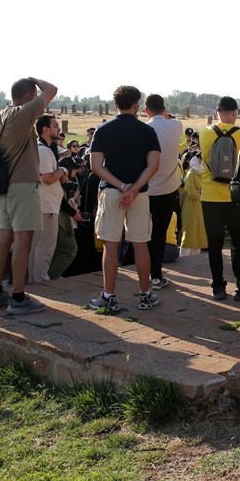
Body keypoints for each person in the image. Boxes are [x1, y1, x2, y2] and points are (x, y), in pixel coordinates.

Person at [0, 76, 57, 315]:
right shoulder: (21, 113)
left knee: (5, 237)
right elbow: (52, 89)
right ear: (28, 97)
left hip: (5, 185)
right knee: (23, 239)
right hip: (23, 184)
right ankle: (17, 296)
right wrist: (34, 79)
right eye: (33, 95)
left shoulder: (0, 116)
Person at [87, 85, 161, 313]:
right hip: (139, 194)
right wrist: (135, 188)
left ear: (115, 104)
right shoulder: (147, 132)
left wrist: (121, 186)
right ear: (136, 105)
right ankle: (146, 293)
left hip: (111, 191)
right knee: (140, 244)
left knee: (111, 245)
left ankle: (109, 295)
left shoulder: (103, 130)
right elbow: (153, 165)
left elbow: (95, 166)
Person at [198, 96, 240, 301]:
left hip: (210, 195)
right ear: (235, 113)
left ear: (216, 112)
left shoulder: (204, 132)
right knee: (239, 241)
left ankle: (218, 287)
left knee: (214, 243)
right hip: (234, 196)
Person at [142, 94, 183, 291]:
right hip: (169, 188)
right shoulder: (176, 126)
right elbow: (169, 119)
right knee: (160, 231)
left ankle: (150, 273)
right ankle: (156, 274)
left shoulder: (144, 129)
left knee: (147, 233)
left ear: (145, 110)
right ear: (164, 109)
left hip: (148, 189)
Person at [29, 114, 66, 285]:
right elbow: (48, 178)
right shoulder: (43, 151)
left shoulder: (42, 149)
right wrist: (63, 170)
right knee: (45, 246)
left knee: (38, 246)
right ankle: (40, 280)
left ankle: (34, 280)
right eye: (55, 126)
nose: (58, 129)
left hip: (44, 204)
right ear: (45, 129)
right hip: (46, 205)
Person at [179, 149, 208, 253]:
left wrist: (200, 192)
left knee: (198, 233)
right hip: (191, 207)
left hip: (201, 207)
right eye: (200, 158)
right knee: (189, 233)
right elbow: (190, 191)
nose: (202, 161)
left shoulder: (204, 173)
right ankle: (185, 258)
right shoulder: (191, 173)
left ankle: (196, 257)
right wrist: (200, 193)